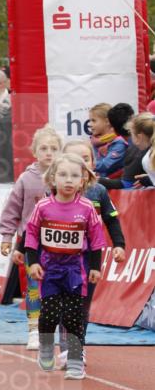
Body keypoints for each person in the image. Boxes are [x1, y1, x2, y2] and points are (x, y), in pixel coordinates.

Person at [25, 153, 106, 379]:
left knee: (73, 317)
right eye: (63, 175)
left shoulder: (87, 208)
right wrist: (33, 262)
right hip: (50, 270)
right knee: (49, 315)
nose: (68, 180)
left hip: (75, 271)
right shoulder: (43, 207)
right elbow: (31, 235)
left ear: (83, 180)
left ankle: (75, 361)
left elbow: (96, 239)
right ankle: (46, 347)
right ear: (52, 178)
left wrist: (95, 267)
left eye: (74, 176)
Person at [59, 138, 125, 367]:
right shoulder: (55, 192)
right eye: (74, 160)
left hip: (89, 258)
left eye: (85, 159)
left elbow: (112, 220)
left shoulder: (99, 191)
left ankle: (77, 347)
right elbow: (38, 224)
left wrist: (119, 245)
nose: (81, 164)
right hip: (60, 258)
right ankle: (66, 348)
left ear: (93, 163)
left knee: (82, 305)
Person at [0, 125, 62, 349]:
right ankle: (34, 330)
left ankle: (52, 328)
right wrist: (7, 237)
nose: (49, 153)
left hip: (59, 243)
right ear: (34, 151)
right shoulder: (26, 179)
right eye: (43, 148)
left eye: (54, 148)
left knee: (56, 289)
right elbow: (12, 209)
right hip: (32, 243)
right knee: (34, 286)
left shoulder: (64, 177)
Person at [100, 113, 155, 189]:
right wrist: (150, 178)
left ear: (139, 137)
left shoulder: (147, 158)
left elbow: (127, 184)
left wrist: (151, 179)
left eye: (131, 133)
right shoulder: (149, 155)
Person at [88, 102, 128, 179]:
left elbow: (106, 165)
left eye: (93, 121)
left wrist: (84, 164)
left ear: (107, 122)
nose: (89, 124)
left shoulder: (119, 143)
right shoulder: (94, 141)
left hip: (114, 182)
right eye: (89, 120)